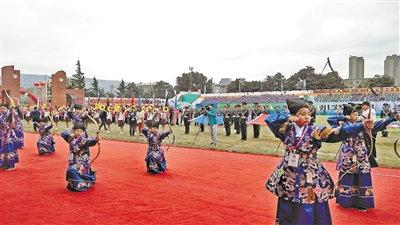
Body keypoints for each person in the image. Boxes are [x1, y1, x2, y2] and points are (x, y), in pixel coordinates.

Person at [264, 98, 374, 225]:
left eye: (309, 114)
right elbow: (269, 120)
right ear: (294, 115)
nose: (307, 117)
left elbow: (338, 132)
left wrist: (361, 125)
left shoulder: (315, 130)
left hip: (310, 170)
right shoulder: (285, 129)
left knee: (310, 198)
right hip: (289, 171)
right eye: (303, 114)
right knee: (288, 197)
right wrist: (287, 117)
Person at [327, 103, 400, 212]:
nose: (358, 117)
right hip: (347, 153)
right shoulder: (342, 124)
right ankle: (346, 201)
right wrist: (344, 117)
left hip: (360, 153)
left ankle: (362, 202)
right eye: (355, 115)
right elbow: (330, 119)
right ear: (348, 115)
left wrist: (392, 118)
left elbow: (379, 124)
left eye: (358, 115)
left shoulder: (362, 124)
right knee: (347, 175)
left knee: (362, 175)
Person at [61, 122, 100, 192]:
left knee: (71, 170)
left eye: (81, 131)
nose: (79, 133)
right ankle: (74, 184)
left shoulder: (83, 140)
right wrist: (70, 134)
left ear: (83, 132)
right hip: (73, 160)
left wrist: (95, 140)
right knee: (75, 172)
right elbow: (63, 134)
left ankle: (86, 182)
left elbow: (90, 142)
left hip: (83, 162)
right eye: (77, 131)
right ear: (74, 131)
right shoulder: (71, 138)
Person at [0, 103, 19, 171]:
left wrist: (13, 114)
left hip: (8, 134)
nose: (2, 110)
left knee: (9, 148)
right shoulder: (1, 115)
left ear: (7, 109)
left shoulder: (9, 114)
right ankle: (5, 163)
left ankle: (11, 164)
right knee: (3, 149)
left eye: (4, 108)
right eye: (1, 108)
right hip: (2, 134)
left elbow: (13, 125)